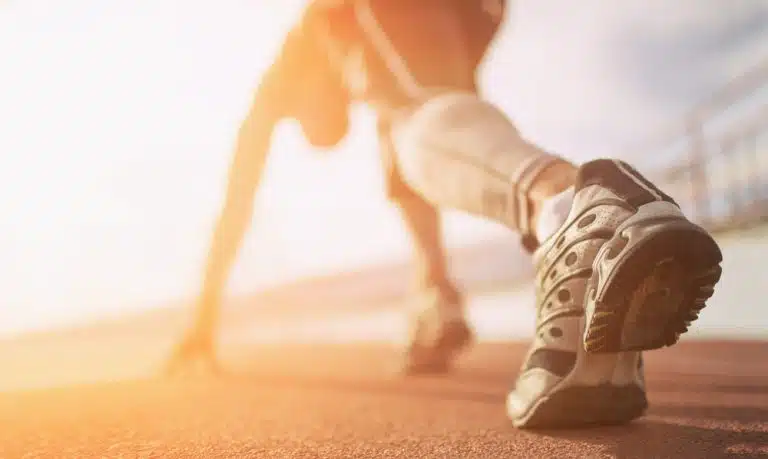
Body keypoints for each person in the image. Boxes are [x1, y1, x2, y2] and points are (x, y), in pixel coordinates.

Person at [167, 0, 724, 428]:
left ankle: (580, 210)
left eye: (321, 116)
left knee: (414, 124)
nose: (339, 110)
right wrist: (435, 284)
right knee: (414, 141)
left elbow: (233, 209)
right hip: (471, 14)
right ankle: (461, 292)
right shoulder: (355, 61)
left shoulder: (296, 61)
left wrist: (201, 321)